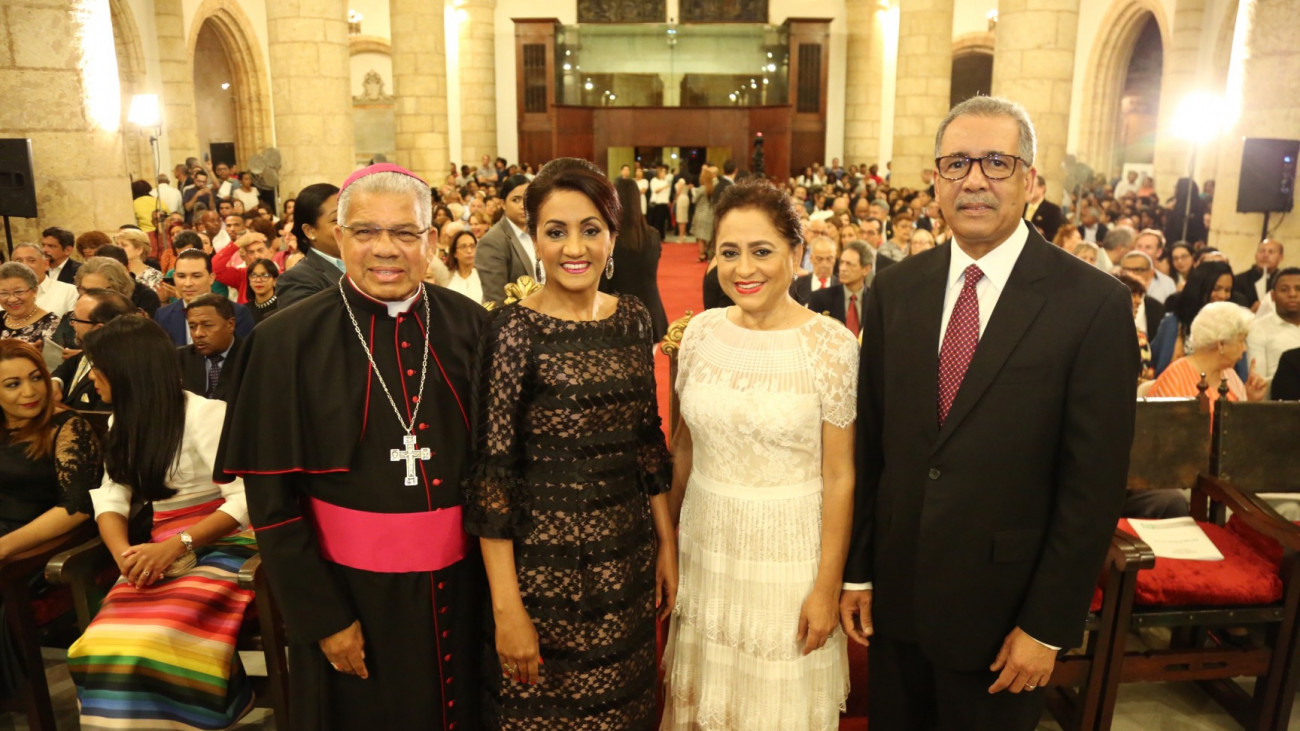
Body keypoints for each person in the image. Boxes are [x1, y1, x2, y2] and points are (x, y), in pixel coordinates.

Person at [841, 96, 1138, 730]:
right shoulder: (895, 289)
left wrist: (1048, 625)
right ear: (936, 180)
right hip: (898, 600)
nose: (974, 179)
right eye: (956, 164)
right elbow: (876, 448)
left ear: (1032, 181)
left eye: (996, 163)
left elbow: (1092, 486)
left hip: (1004, 616)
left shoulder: (1091, 305)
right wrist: (860, 572)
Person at [215, 163, 487, 729]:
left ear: (430, 241)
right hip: (349, 594)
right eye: (365, 232)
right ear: (338, 238)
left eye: (405, 233)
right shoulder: (284, 341)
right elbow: (272, 506)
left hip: (466, 593)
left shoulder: (471, 326)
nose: (385, 249)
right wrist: (323, 618)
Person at [465, 158, 672, 729]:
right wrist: (508, 609)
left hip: (624, 566)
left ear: (612, 234)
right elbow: (492, 476)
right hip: (541, 577)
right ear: (534, 238)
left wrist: (667, 545)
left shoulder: (632, 319)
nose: (573, 247)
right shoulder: (511, 330)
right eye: (556, 231)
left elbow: (646, 443)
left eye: (590, 229)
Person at [662, 179, 857, 729]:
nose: (744, 268)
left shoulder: (830, 345)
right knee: (707, 704)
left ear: (796, 254)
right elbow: (683, 449)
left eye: (762, 251)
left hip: (788, 560)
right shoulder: (699, 333)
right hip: (707, 549)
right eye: (729, 252)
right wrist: (666, 543)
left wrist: (826, 587)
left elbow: (841, 476)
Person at [66, 314, 255, 730]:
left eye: (97, 370)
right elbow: (112, 495)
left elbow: (244, 500)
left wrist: (180, 543)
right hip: (158, 547)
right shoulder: (122, 421)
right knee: (99, 646)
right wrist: (123, 554)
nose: (93, 379)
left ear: (127, 371)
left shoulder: (207, 416)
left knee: (152, 641)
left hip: (225, 541)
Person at [0, 339, 100, 694]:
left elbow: (76, 508)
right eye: (12, 384)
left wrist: (6, 546)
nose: (30, 392)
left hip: (34, 548)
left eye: (35, 378)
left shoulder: (66, 426)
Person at [1148, 301, 1268, 406]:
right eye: (1241, 341)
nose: (1245, 348)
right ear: (1221, 344)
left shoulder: (1230, 376)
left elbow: (1239, 427)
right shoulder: (1175, 379)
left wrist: (1250, 399)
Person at [599, 176, 669, 342]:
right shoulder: (653, 236)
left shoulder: (608, 239)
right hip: (651, 312)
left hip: (617, 316)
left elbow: (603, 284)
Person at [50, 289, 136, 410]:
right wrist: (56, 381)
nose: (72, 324)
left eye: (76, 319)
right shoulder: (90, 349)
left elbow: (100, 421)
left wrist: (52, 407)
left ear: (99, 329)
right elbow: (68, 366)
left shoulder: (119, 372)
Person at [1151, 260, 1238, 376]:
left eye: (1227, 290)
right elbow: (1153, 364)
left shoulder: (1233, 327)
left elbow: (1241, 376)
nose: (1223, 296)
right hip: (1173, 389)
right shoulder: (1173, 323)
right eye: (1216, 289)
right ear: (1200, 288)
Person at [154, 249, 255, 346]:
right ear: (174, 277)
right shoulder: (163, 315)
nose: (188, 283)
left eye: (196, 276)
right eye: (181, 276)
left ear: (211, 278)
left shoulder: (237, 313)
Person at [276, 183, 343, 309]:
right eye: (336, 220)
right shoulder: (296, 280)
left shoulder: (364, 264)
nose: (347, 226)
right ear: (309, 231)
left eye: (348, 217)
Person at [476, 174, 540, 306]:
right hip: (516, 319)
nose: (523, 205)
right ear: (503, 204)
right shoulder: (493, 241)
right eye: (516, 200)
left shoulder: (538, 233)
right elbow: (495, 299)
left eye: (527, 199)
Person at [178, 293, 242, 401]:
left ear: (230, 324)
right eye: (192, 327)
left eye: (207, 325)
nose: (198, 333)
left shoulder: (251, 357)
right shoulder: (178, 359)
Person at [810, 240, 873, 336]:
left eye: (849, 264)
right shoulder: (820, 298)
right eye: (841, 263)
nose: (842, 268)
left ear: (866, 269)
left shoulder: (875, 300)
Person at [9, 242, 78, 318]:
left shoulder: (68, 291)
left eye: (31, 260)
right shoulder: (4, 295)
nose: (24, 266)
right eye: (18, 261)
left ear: (46, 264)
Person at [0, 263, 58, 346]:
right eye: (4, 293)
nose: (12, 299)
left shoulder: (51, 324)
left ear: (34, 290)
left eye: (18, 292)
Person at [212, 229, 273, 304]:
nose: (256, 256)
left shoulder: (282, 276)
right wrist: (237, 244)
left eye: (260, 250)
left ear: (271, 252)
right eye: (251, 252)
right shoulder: (242, 275)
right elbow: (215, 268)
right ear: (246, 256)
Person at [113, 228, 166, 292]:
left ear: (139, 250)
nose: (118, 248)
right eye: (117, 245)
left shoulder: (155, 276)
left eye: (124, 245)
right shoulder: (114, 274)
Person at [444, 230, 484, 304]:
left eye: (472, 246)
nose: (469, 251)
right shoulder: (447, 277)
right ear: (455, 253)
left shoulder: (483, 276)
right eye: (463, 246)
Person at [691, 166, 717, 261]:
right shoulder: (714, 187)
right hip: (711, 214)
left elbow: (694, 200)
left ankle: (702, 255)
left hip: (701, 213)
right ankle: (709, 254)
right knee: (708, 235)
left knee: (700, 237)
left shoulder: (701, 189)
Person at [244, 258, 280, 322]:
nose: (258, 280)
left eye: (265, 275)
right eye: (253, 275)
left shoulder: (283, 306)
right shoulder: (244, 310)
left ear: (274, 280)